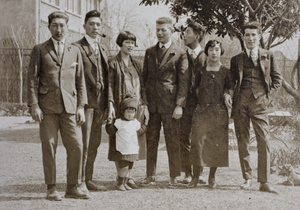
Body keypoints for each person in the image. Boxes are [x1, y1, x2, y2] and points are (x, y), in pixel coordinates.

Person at [27, 11, 89, 200]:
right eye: (55, 25)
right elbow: (32, 80)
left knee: (77, 146)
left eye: (62, 25)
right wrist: (34, 105)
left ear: (67, 27)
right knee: (49, 146)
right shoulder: (40, 49)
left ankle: (72, 187)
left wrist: (81, 106)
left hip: (70, 108)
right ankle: (51, 188)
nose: (59, 29)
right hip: (47, 109)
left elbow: (81, 82)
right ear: (49, 27)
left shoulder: (75, 50)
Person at [230, 21, 282, 193]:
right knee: (243, 141)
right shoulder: (236, 59)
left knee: (264, 140)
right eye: (247, 35)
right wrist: (227, 95)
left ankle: (264, 181)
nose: (250, 38)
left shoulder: (269, 55)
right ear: (243, 37)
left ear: (259, 36)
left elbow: (277, 80)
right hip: (241, 105)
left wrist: (268, 99)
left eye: (253, 35)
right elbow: (231, 83)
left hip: (260, 104)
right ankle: (247, 178)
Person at [141, 17, 189, 187]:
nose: (160, 33)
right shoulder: (149, 52)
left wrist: (179, 105)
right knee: (151, 140)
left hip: (170, 105)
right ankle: (150, 175)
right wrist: (144, 104)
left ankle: (174, 176)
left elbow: (184, 82)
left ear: (171, 31)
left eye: (164, 30)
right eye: (158, 29)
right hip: (152, 105)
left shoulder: (180, 53)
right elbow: (144, 80)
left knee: (172, 140)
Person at [189, 40, 234, 188]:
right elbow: (195, 91)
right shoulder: (200, 71)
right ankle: (195, 177)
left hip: (219, 113)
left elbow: (230, 90)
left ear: (221, 52)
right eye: (211, 49)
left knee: (216, 145)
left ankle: (212, 178)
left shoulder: (226, 72)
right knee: (198, 143)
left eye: (217, 49)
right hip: (201, 111)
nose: (214, 53)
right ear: (207, 51)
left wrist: (227, 94)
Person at [73, 10, 108, 192]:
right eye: (92, 24)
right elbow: (74, 78)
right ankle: (79, 181)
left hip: (100, 105)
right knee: (83, 144)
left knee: (94, 143)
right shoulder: (76, 47)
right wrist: (80, 103)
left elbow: (107, 78)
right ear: (84, 25)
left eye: (98, 24)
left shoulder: (102, 48)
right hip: (86, 104)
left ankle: (88, 178)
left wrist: (108, 103)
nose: (95, 27)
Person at [107, 31, 148, 189]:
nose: (130, 45)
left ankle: (128, 177)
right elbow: (110, 85)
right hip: (119, 107)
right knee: (120, 144)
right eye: (127, 43)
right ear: (120, 44)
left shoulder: (137, 63)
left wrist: (144, 105)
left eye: (132, 43)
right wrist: (110, 103)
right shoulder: (113, 62)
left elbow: (142, 86)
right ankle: (120, 178)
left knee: (133, 143)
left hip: (136, 107)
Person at [181, 20, 206, 184]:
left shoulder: (206, 56)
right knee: (183, 137)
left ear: (197, 36)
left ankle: (199, 173)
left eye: (188, 32)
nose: (184, 35)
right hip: (184, 104)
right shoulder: (181, 55)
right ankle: (187, 174)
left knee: (199, 139)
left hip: (201, 104)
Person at [106, 94, 144, 191]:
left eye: (132, 112)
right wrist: (109, 123)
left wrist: (145, 125)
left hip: (132, 149)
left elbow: (140, 131)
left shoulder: (135, 122)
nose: (130, 114)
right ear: (123, 112)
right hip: (123, 150)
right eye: (128, 112)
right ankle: (119, 183)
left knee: (130, 167)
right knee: (124, 168)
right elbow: (111, 130)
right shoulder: (119, 122)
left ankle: (125, 182)